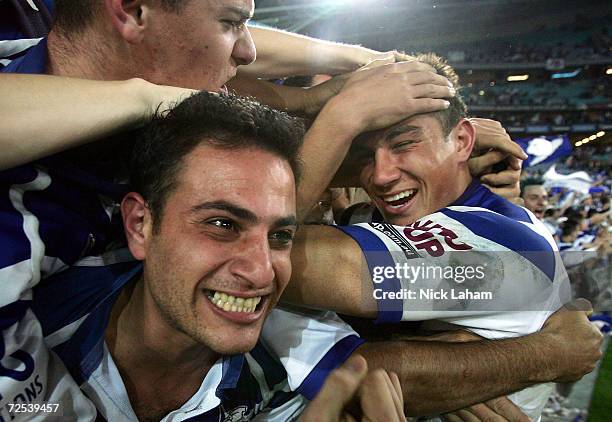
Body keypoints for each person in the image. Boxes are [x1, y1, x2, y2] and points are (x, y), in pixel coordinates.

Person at [281, 53, 603, 419]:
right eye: (363, 155)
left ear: (463, 140)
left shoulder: (507, 248)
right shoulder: (370, 215)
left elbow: (257, 256)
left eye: (404, 144)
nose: (380, 175)